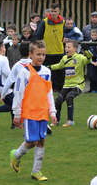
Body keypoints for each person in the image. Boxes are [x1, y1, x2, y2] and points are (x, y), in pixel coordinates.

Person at [10, 40, 57, 181]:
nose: (41, 57)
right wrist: (17, 114)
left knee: (42, 141)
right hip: (30, 112)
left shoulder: (47, 72)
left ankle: (36, 171)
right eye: (38, 54)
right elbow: (18, 93)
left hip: (43, 112)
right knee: (32, 142)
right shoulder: (24, 72)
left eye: (43, 54)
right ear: (30, 54)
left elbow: (49, 93)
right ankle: (16, 155)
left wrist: (52, 112)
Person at [49, 40, 92, 127]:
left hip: (78, 85)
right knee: (58, 100)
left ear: (75, 49)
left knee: (69, 97)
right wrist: (49, 67)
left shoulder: (79, 57)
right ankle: (56, 121)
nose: (66, 49)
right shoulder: (64, 58)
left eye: (69, 47)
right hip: (67, 85)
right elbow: (59, 66)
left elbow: (87, 61)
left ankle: (70, 121)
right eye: (66, 47)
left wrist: (89, 57)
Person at [36, 3, 65, 92]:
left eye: (55, 11)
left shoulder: (63, 22)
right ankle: (49, 88)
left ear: (59, 11)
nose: (53, 13)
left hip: (59, 51)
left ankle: (61, 88)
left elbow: (64, 34)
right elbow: (38, 36)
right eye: (52, 11)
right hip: (48, 52)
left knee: (61, 72)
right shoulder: (44, 22)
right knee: (48, 72)